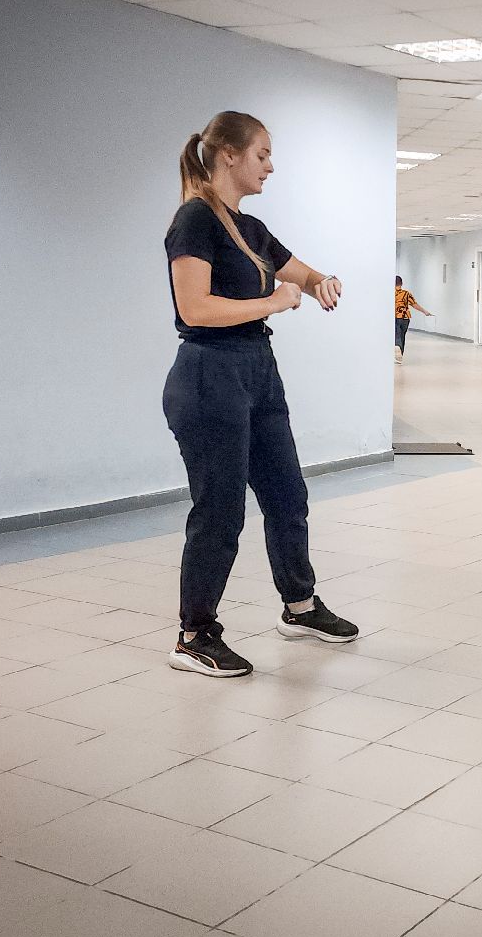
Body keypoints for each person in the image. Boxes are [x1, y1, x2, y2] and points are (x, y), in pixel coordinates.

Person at [161, 111, 361, 678]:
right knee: (220, 510)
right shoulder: (194, 220)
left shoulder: (250, 229)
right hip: (209, 374)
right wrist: (272, 302)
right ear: (229, 155)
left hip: (256, 370)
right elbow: (194, 308)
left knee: (287, 494)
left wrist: (321, 282)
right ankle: (194, 634)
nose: (270, 166)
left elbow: (299, 273)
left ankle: (300, 606)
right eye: (262, 155)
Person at [394, 276, 432, 364]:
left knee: (396, 334)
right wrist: (425, 311)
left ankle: (397, 346)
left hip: (395, 316)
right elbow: (414, 304)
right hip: (405, 318)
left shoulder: (390, 293)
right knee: (402, 336)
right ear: (401, 283)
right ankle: (400, 355)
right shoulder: (406, 293)